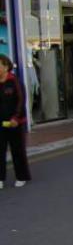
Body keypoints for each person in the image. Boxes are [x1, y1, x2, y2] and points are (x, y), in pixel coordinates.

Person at [0, 55, 30, 189]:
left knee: (17, 150)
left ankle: (21, 176)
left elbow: (21, 100)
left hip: (16, 123)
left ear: (6, 67)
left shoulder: (14, 81)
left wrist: (16, 118)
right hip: (1, 123)